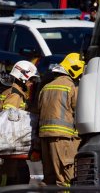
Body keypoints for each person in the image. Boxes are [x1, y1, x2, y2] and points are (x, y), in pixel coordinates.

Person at [37, 52, 85, 187]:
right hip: (62, 139)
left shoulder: (46, 87)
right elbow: (80, 112)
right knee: (65, 179)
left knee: (49, 179)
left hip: (44, 139)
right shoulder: (72, 87)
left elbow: (37, 111)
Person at [0, 60, 39, 187]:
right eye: (30, 80)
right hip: (10, 144)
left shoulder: (11, 92)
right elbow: (8, 120)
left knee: (21, 173)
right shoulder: (15, 96)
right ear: (22, 78)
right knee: (11, 175)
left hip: (10, 143)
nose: (31, 84)